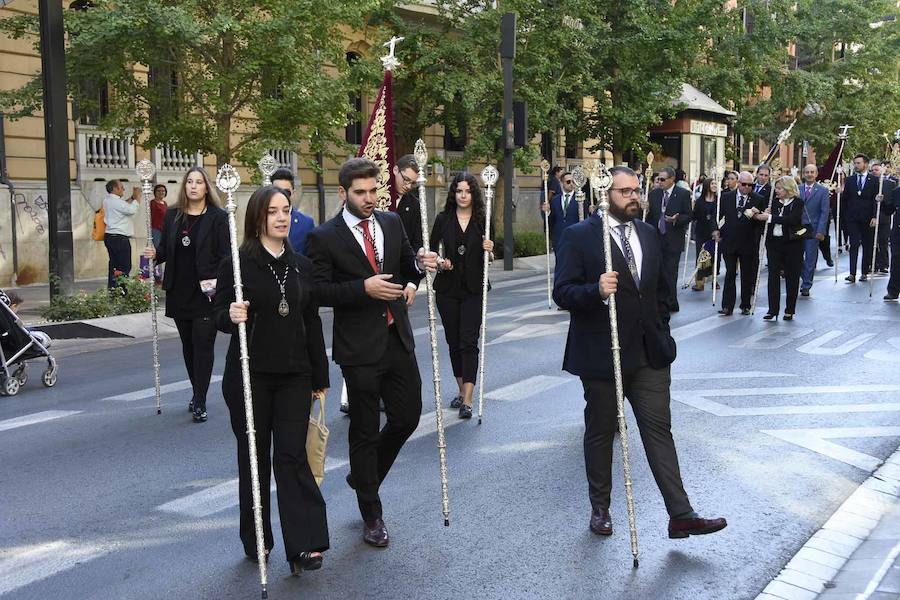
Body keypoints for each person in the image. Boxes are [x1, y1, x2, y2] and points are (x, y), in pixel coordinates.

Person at [553, 165, 726, 540]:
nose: (634, 197)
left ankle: (681, 515)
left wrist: (662, 331)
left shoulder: (649, 233)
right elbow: (562, 292)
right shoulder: (579, 237)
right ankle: (600, 508)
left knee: (659, 432)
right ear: (606, 195)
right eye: (625, 192)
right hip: (602, 354)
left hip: (648, 354)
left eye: (637, 190)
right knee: (601, 432)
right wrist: (595, 290)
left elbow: (662, 294)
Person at [306, 157, 438, 548]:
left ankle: (363, 477)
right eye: (360, 192)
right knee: (363, 430)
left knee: (407, 417)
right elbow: (316, 291)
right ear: (343, 193)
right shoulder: (324, 237)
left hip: (397, 338)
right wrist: (362, 289)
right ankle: (372, 513)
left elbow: (405, 263)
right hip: (359, 347)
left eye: (373, 191)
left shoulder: (391, 222)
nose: (368, 198)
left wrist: (417, 270)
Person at [213, 185, 330, 574]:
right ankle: (258, 538)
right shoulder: (238, 262)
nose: (282, 217)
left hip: (295, 374)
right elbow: (216, 315)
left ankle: (306, 544)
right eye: (273, 212)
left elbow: (310, 320)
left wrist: (320, 374)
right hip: (250, 375)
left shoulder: (301, 265)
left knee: (292, 455)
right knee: (255, 458)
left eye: (286, 210)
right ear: (258, 218)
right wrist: (231, 314)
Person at [144, 167, 229, 423]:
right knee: (189, 346)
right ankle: (196, 391)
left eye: (199, 182)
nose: (193, 186)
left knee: (203, 345)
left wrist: (222, 283)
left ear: (206, 187)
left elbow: (226, 256)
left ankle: (200, 400)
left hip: (206, 292)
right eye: (189, 182)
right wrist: (154, 255)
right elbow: (166, 250)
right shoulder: (173, 215)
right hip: (179, 290)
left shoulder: (218, 217)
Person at [430, 173, 494, 419]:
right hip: (447, 290)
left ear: (473, 194)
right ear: (453, 194)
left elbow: (489, 256)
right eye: (459, 191)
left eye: (467, 191)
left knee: (469, 341)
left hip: (474, 289)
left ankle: (467, 398)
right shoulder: (443, 219)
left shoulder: (483, 221)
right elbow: (430, 249)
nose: (463, 195)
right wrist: (439, 261)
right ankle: (461, 388)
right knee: (454, 341)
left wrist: (489, 250)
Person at [752, 176, 805, 321]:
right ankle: (772, 309)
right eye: (776, 188)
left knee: (792, 277)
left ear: (788, 189)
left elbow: (792, 220)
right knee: (773, 276)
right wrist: (762, 214)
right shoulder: (773, 202)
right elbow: (766, 220)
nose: (776, 191)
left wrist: (770, 217)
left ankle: (789, 309)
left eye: (780, 188)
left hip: (792, 244)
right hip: (774, 244)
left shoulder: (798, 203)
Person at [715, 171, 766, 316]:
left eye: (750, 185)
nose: (747, 187)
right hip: (730, 241)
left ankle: (745, 304)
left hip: (748, 243)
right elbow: (719, 216)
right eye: (744, 184)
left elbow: (760, 224)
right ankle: (727, 306)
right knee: (730, 274)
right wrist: (716, 230)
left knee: (746, 275)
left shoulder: (758, 199)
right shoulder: (726, 197)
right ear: (738, 183)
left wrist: (756, 217)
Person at [646, 166, 692, 312]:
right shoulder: (654, 194)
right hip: (656, 239)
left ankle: (671, 301)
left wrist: (676, 219)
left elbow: (689, 215)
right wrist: (642, 209)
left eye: (663, 179)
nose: (659, 182)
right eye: (658, 179)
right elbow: (649, 218)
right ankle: (659, 300)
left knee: (670, 272)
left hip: (673, 239)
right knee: (658, 271)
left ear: (672, 179)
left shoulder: (683, 194)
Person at [393, 154, 424, 308]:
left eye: (412, 183)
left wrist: (412, 283)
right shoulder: (374, 198)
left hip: (401, 280)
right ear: (395, 170)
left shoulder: (414, 205)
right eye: (405, 180)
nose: (408, 186)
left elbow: (417, 245)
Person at [842, 154, 879, 283]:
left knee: (867, 245)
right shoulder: (850, 180)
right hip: (853, 218)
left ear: (865, 164)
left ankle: (864, 271)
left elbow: (875, 200)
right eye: (855, 163)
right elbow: (845, 199)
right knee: (854, 245)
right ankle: (852, 273)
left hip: (867, 218)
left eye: (858, 163)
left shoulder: (873, 180)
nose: (856, 165)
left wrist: (875, 216)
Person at [798, 165, 830, 297]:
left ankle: (806, 284)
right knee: (797, 256)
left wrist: (821, 231)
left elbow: (824, 212)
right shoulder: (797, 189)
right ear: (803, 174)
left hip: (814, 229)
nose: (809, 174)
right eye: (807, 172)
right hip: (798, 229)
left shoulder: (822, 191)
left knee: (810, 257)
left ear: (816, 174)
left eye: (812, 172)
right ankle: (803, 275)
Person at [103, 179, 140, 288]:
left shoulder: (108, 200)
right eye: (121, 187)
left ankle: (113, 290)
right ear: (115, 189)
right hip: (119, 238)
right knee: (124, 266)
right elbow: (131, 210)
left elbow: (124, 205)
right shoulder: (116, 202)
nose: (123, 189)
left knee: (114, 265)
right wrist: (137, 197)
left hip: (110, 236)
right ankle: (122, 291)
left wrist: (132, 197)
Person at [270, 168, 315, 256]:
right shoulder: (261, 221)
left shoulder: (306, 223)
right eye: (276, 191)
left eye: (286, 192)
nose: (281, 196)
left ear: (293, 193)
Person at [542, 171, 586, 251]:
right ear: (562, 183)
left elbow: (586, 219)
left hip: (575, 238)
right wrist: (547, 212)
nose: (571, 184)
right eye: (568, 182)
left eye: (573, 181)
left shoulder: (581, 199)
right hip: (559, 238)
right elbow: (551, 220)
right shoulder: (555, 200)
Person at [690, 178, 719, 291]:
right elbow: (694, 216)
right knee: (701, 256)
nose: (714, 185)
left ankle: (714, 279)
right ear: (707, 185)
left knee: (714, 256)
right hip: (702, 231)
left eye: (715, 183)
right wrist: (692, 208)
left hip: (714, 231)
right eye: (712, 183)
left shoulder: (718, 201)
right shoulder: (700, 201)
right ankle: (699, 282)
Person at [872, 162, 896, 274]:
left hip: (884, 217)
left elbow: (892, 201)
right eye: (873, 170)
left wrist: (884, 200)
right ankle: (873, 263)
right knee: (872, 242)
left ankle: (884, 264)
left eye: (876, 170)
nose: (874, 172)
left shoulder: (890, 184)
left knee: (883, 241)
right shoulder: (870, 183)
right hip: (871, 218)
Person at [885, 181, 900, 301]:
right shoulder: (896, 191)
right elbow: (888, 210)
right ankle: (893, 290)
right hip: (898, 231)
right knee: (896, 259)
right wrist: (883, 201)